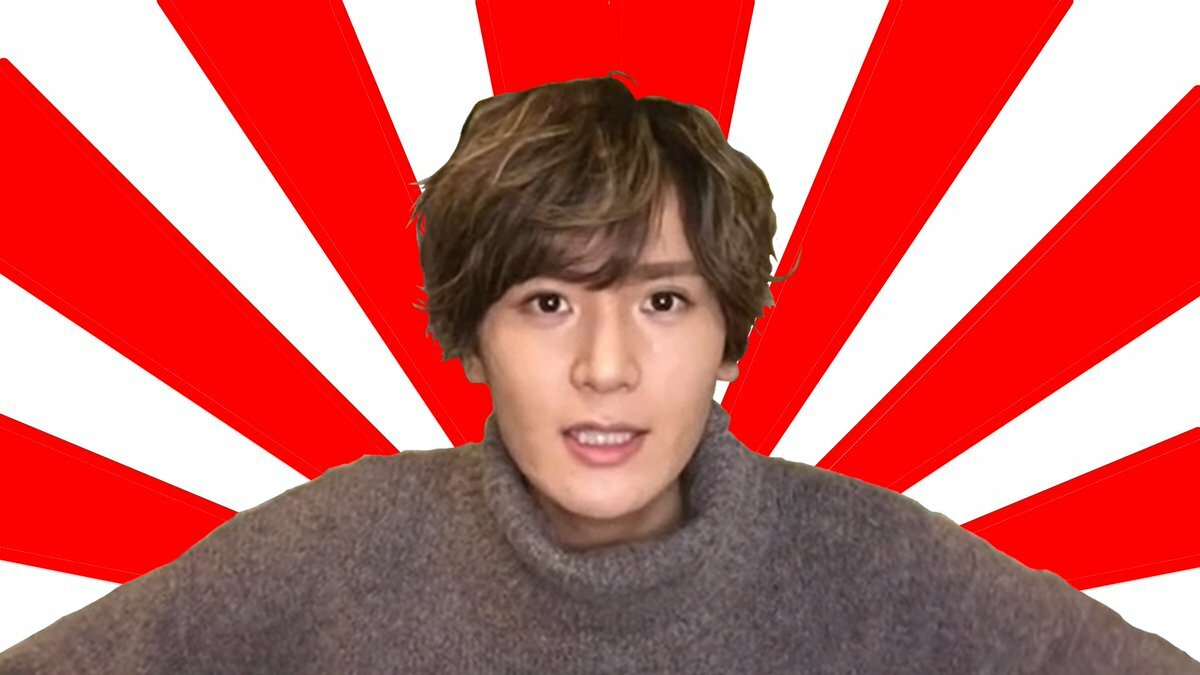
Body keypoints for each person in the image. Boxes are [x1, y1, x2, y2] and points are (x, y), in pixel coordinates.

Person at [1, 74, 1196, 674]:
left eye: (663, 302)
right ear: (472, 336)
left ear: (731, 336)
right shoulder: (335, 552)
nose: (606, 367)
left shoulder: (876, 564)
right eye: (549, 303)